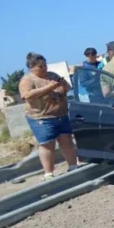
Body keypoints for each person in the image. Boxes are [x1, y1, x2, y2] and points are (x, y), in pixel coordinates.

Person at [19, 53, 79, 181]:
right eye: (41, 66)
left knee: (66, 140)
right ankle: (48, 174)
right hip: (42, 118)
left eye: (45, 65)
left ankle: (73, 166)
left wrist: (62, 87)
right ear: (31, 67)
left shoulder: (53, 75)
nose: (44, 68)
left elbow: (67, 87)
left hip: (61, 115)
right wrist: (49, 87)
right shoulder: (28, 80)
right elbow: (27, 95)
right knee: (47, 144)